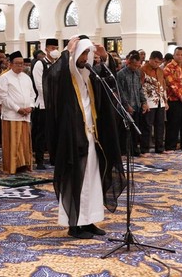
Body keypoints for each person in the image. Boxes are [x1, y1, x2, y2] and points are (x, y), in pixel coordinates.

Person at [45, 36, 125, 239]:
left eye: (87, 54)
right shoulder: (65, 77)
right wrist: (67, 52)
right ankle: (74, 224)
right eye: (81, 53)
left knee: (92, 180)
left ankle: (89, 220)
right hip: (73, 139)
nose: (85, 58)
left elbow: (109, 79)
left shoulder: (89, 76)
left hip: (92, 137)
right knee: (76, 181)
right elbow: (51, 76)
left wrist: (105, 57)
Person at [0, 51, 36, 174]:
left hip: (25, 115)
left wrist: (31, 106)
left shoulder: (27, 77)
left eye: (22, 64)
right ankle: (11, 167)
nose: (20, 66)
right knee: (13, 143)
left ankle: (24, 164)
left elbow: (32, 94)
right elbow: (3, 97)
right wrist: (17, 109)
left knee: (24, 142)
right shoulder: (4, 78)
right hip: (12, 116)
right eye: (17, 64)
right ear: (10, 64)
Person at [31, 38, 60, 169]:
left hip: (55, 104)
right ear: (46, 49)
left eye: (56, 47)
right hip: (43, 103)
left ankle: (54, 158)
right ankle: (40, 160)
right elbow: (39, 85)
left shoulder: (58, 64)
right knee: (41, 134)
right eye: (52, 48)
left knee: (54, 133)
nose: (54, 50)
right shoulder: (40, 64)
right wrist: (51, 96)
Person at [116, 50, 148, 156]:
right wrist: (126, 106)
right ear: (128, 62)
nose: (136, 67)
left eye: (138, 66)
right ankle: (124, 150)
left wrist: (144, 102)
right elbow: (120, 92)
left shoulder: (138, 73)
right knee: (124, 131)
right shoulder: (121, 74)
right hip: (125, 107)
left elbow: (139, 89)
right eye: (134, 65)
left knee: (136, 130)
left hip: (137, 105)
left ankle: (134, 149)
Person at [140, 50, 169, 154]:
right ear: (150, 59)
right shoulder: (142, 70)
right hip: (148, 102)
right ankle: (145, 149)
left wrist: (166, 101)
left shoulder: (161, 71)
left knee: (160, 125)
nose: (157, 64)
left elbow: (163, 86)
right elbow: (140, 87)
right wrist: (143, 102)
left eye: (159, 62)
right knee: (147, 126)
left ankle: (160, 148)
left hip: (160, 101)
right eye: (155, 62)